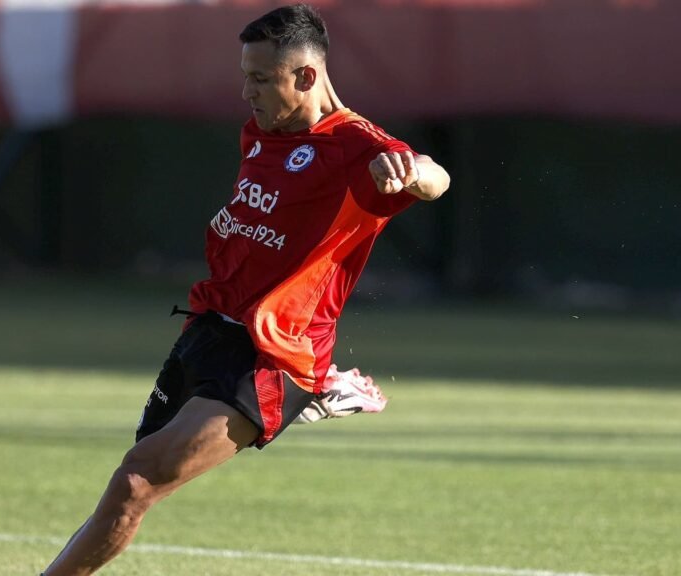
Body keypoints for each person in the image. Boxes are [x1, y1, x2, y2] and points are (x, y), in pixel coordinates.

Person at [41, 4, 450, 575]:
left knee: (135, 483)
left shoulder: (358, 150)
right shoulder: (263, 131)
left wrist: (413, 171)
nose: (246, 92)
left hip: (272, 355)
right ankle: (325, 390)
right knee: (130, 482)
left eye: (260, 78)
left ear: (305, 77)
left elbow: (435, 177)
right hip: (210, 329)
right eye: (245, 76)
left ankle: (310, 386)